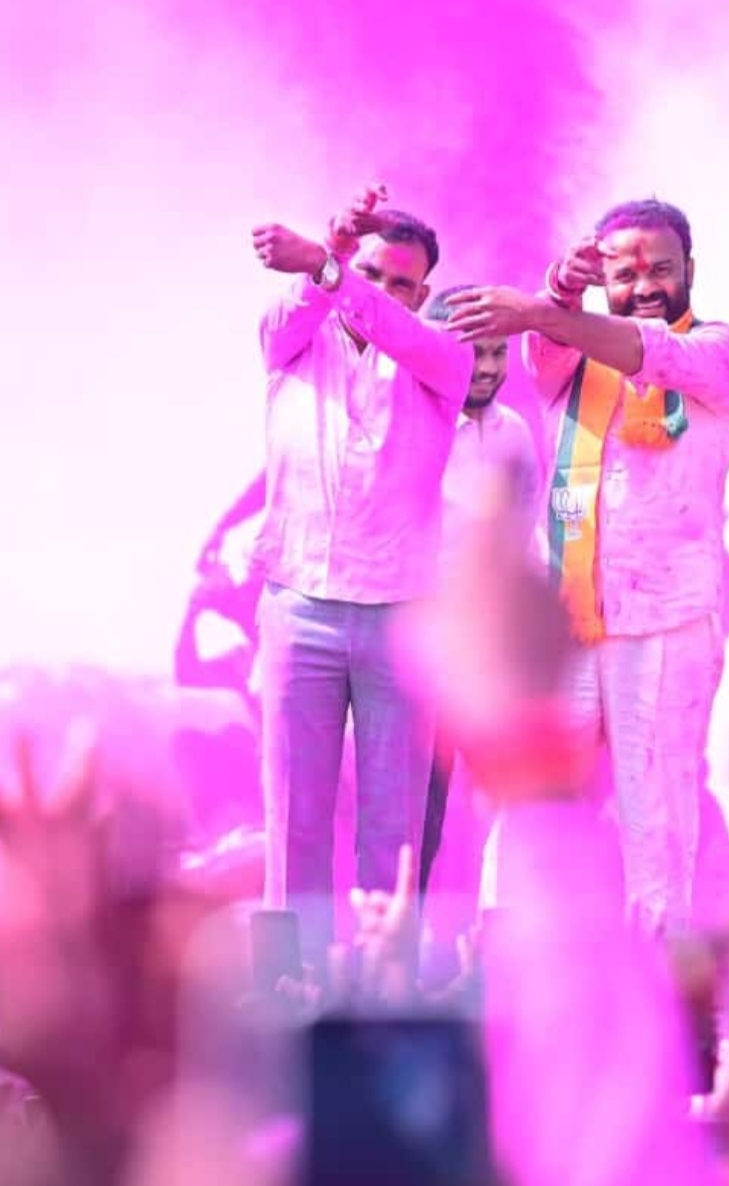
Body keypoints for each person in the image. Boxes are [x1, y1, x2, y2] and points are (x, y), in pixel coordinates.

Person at [445, 196, 729, 938]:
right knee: (529, 801)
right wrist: (559, 288)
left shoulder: (722, 355)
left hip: (667, 623)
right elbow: (546, 346)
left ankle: (662, 984)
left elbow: (653, 353)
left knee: (658, 823)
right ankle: (512, 965)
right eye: (625, 274)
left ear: (690, 270)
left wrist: (541, 309)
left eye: (660, 270)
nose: (644, 286)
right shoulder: (568, 365)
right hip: (570, 623)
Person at [249, 188, 473, 959]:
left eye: (401, 284)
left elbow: (394, 328)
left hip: (402, 618)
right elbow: (296, 307)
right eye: (370, 272)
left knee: (392, 827)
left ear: (423, 294)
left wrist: (330, 265)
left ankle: (386, 994)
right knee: (294, 823)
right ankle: (290, 993)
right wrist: (326, 265)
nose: (380, 291)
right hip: (298, 605)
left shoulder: (442, 359)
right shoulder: (293, 336)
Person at [417, 287, 543, 905]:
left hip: (492, 656)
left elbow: (525, 534)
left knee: (510, 809)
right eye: (475, 353)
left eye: (498, 353)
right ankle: (400, 945)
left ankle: (501, 939)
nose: (489, 368)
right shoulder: (410, 421)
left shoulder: (514, 434)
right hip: (421, 652)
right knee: (422, 813)